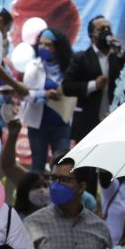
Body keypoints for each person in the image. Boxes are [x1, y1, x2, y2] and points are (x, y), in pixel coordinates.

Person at [63, 16, 125, 145]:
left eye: (109, 28)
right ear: (92, 35)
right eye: (102, 29)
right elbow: (67, 87)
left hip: (113, 121)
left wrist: (120, 53)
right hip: (87, 122)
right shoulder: (81, 58)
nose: (106, 31)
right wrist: (93, 85)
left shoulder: (120, 56)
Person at [20, 29, 77, 170]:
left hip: (62, 124)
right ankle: (36, 192)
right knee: (37, 166)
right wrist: (44, 94)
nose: (43, 48)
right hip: (39, 126)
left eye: (48, 45)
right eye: (41, 44)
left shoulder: (69, 67)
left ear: (58, 47)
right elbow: (25, 94)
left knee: (62, 166)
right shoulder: (34, 67)